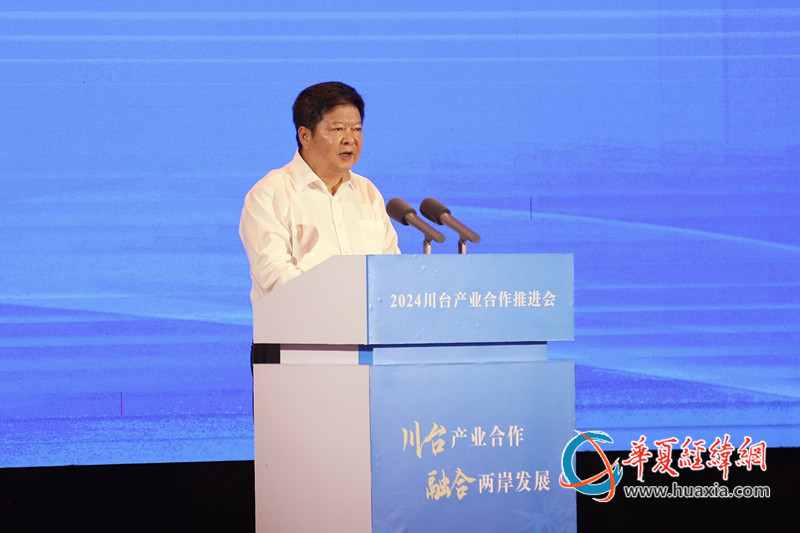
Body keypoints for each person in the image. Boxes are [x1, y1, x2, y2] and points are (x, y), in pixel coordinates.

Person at [240, 82, 400, 363]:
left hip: (365, 344)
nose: (350, 139)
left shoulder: (368, 193)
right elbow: (274, 276)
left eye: (357, 129)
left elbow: (390, 268)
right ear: (305, 135)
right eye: (338, 129)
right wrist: (341, 309)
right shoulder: (270, 194)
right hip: (292, 346)